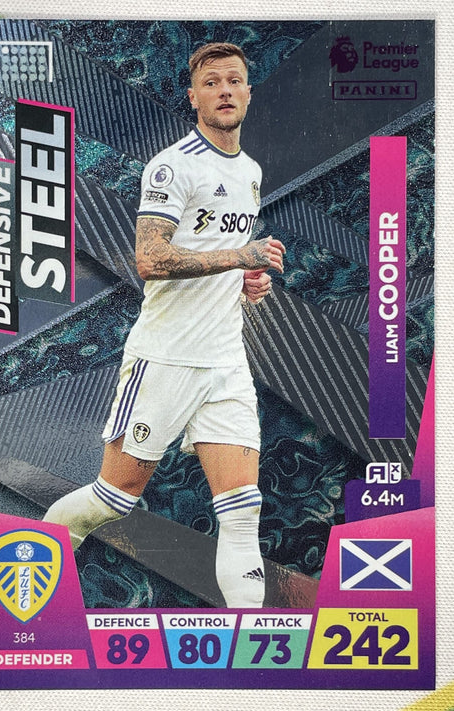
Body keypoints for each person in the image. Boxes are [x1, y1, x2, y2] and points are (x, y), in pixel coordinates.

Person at [44, 42, 286, 608]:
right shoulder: (173, 164)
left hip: (226, 362)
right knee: (112, 500)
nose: (224, 90)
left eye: (234, 81)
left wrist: (247, 282)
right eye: (212, 82)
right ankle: (32, 578)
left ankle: (249, 641)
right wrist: (240, 257)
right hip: (166, 357)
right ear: (194, 96)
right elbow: (150, 259)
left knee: (243, 512)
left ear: (248, 93)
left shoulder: (250, 171)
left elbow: (219, 255)